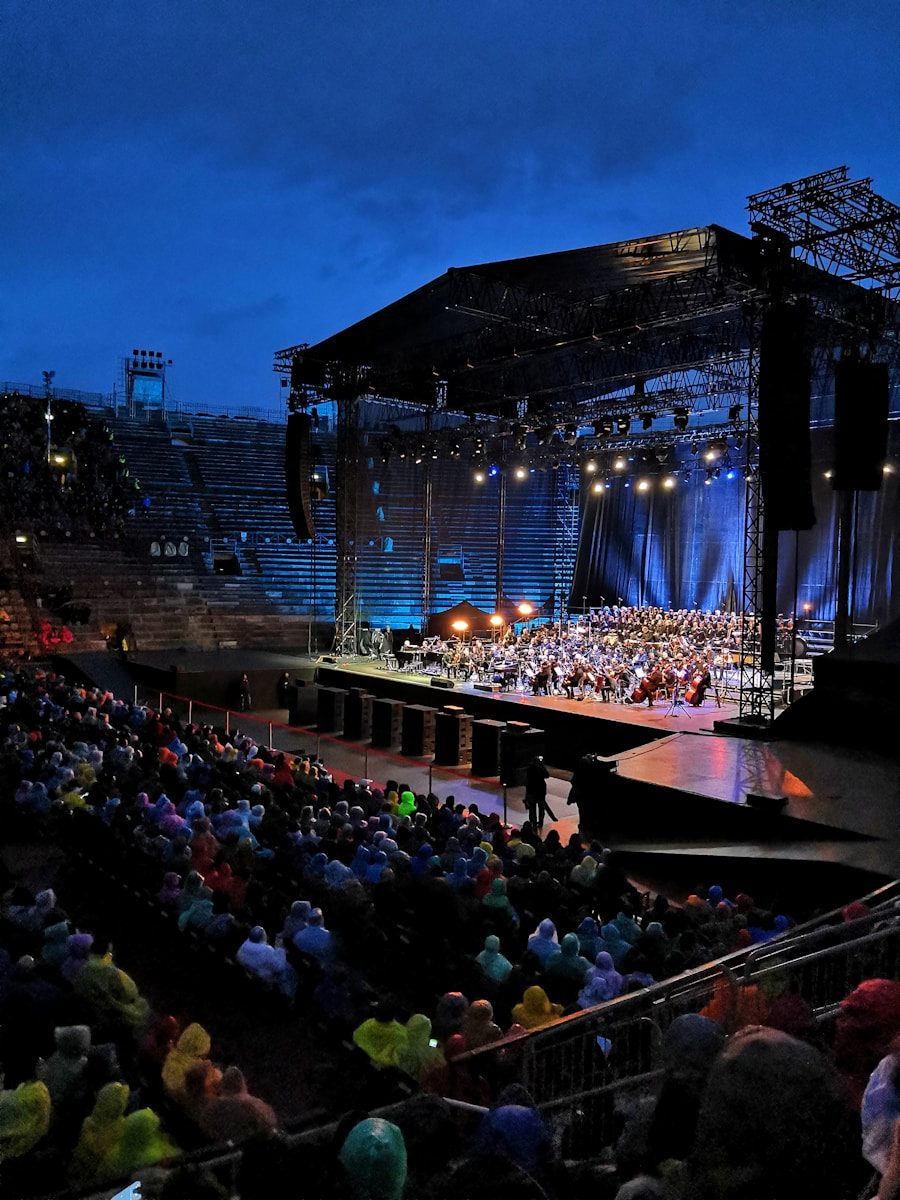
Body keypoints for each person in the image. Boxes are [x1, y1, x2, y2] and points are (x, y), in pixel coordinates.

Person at [524, 755, 556, 832]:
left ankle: (533, 824)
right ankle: (540, 823)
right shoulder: (540, 768)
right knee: (541, 808)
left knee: (533, 809)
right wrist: (542, 766)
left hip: (532, 790)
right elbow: (547, 775)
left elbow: (527, 780)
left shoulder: (529, 769)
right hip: (540, 791)